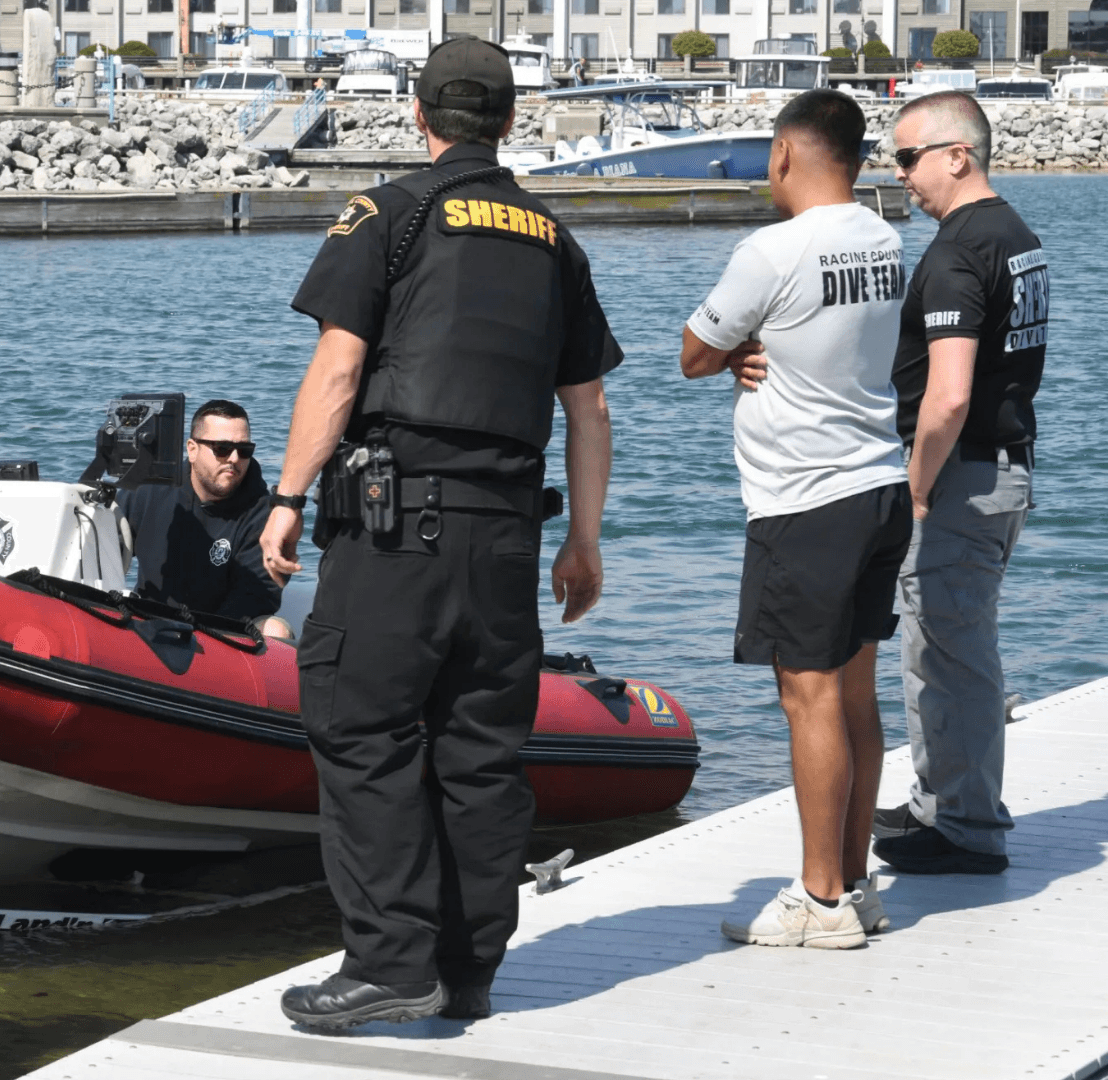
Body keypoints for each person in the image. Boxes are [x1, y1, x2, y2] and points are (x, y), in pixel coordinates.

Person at [259, 36, 618, 1029]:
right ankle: (465, 969)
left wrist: (285, 498)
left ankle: (388, 962)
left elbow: (337, 372)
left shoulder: (385, 215)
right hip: (506, 539)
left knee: (362, 730)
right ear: (509, 121)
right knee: (480, 751)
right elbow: (587, 410)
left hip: (393, 536)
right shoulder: (554, 238)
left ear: (419, 119)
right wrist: (583, 542)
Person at [680, 89, 910, 949]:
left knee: (806, 697)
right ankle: (853, 883)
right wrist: (756, 344)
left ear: (783, 152)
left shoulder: (771, 249)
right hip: (878, 484)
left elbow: (694, 356)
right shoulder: (884, 238)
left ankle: (818, 904)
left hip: (805, 500)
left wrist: (737, 349)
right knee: (855, 691)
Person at [872, 92, 1045, 875]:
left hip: (962, 477)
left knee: (948, 652)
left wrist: (914, 484)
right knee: (949, 643)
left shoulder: (955, 253)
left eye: (908, 157)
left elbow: (947, 394)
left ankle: (967, 828)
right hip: (1003, 470)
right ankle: (939, 798)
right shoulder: (1018, 238)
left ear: (957, 155)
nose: (899, 174)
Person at [117, 399, 290, 636]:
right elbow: (102, 552)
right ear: (192, 449)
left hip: (222, 635)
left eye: (244, 450)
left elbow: (256, 597)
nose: (234, 459)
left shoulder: (264, 514)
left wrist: (197, 637)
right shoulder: (149, 488)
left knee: (276, 631)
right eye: (222, 448)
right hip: (149, 623)